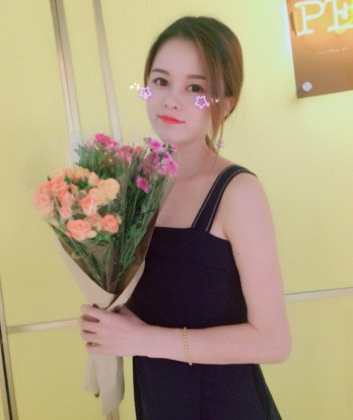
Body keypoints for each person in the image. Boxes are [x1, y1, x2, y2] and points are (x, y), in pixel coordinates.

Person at [79, 16, 291, 419]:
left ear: (225, 103)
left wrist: (141, 339)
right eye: (160, 81)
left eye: (195, 88)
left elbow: (274, 342)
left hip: (225, 408)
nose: (171, 100)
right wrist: (108, 317)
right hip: (158, 401)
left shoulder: (237, 192)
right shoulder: (133, 188)